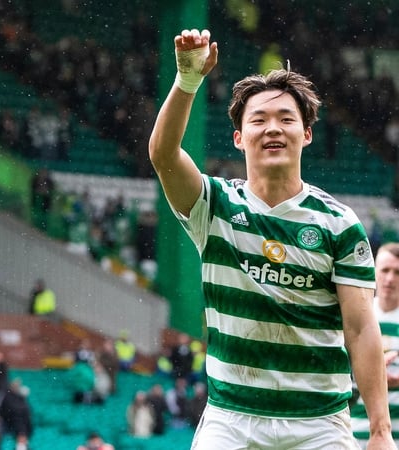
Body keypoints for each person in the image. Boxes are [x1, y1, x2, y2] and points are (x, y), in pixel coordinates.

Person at [148, 28, 394, 448]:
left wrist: (379, 429)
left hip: (318, 424)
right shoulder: (216, 205)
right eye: (258, 120)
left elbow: (360, 328)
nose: (272, 128)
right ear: (239, 138)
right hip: (232, 420)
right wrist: (187, 81)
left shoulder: (339, 223)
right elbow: (163, 155)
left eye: (286, 119)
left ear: (307, 134)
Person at [352, 243, 399, 446]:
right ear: (374, 271)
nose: (390, 279)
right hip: (354, 431)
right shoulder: (359, 316)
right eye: (385, 270)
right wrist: (373, 375)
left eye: (397, 272)